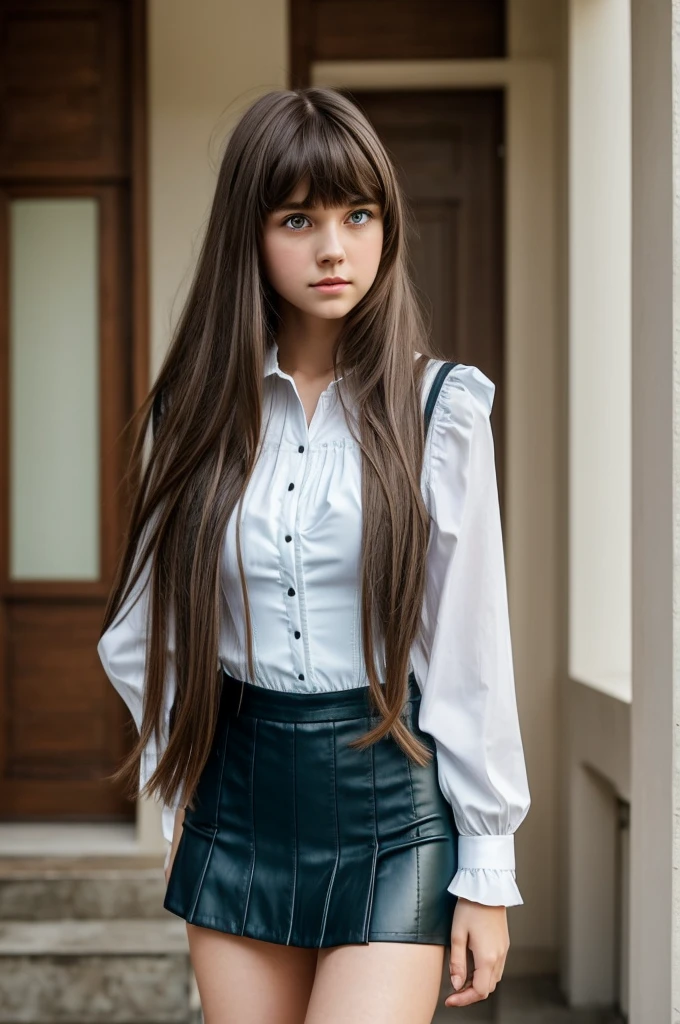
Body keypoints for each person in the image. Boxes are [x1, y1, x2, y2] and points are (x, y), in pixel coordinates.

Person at [96, 86, 531, 1024]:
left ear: (387, 225)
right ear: (249, 235)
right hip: (237, 799)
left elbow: (471, 651)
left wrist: (487, 868)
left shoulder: (439, 412)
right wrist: (179, 793)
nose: (335, 248)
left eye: (358, 214)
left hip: (392, 807)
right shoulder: (197, 412)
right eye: (299, 218)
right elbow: (143, 629)